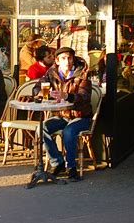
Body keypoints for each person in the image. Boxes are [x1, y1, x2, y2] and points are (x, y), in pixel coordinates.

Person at [34, 46, 92, 181]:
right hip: (62, 115)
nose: (67, 61)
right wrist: (43, 93)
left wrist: (66, 96)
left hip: (81, 115)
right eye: (63, 58)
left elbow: (84, 96)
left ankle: (71, 167)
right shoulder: (52, 73)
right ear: (57, 61)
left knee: (68, 131)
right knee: (41, 129)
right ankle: (57, 162)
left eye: (70, 58)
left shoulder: (83, 73)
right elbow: (36, 88)